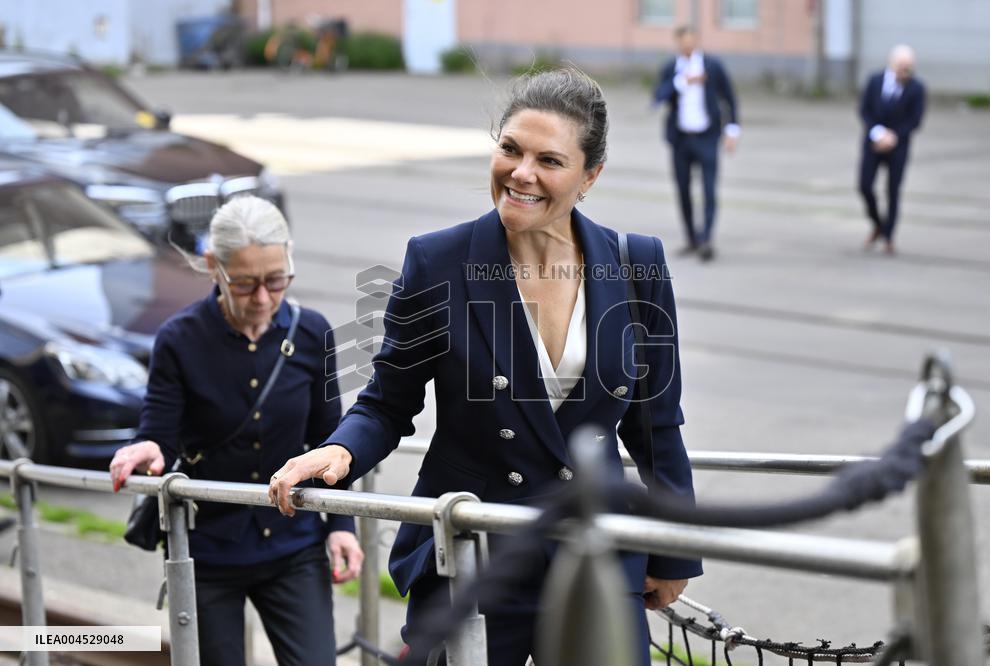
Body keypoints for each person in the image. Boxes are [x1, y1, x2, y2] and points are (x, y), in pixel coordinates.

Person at [268, 68, 702, 665]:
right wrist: (339, 452)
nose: (521, 173)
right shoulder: (437, 260)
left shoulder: (638, 265)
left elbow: (657, 426)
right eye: (510, 149)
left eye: (549, 160)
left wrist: (675, 552)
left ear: (590, 175)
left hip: (593, 557)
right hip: (472, 552)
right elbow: (388, 402)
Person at [109, 196, 363, 666]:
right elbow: (158, 434)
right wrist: (145, 447)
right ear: (213, 267)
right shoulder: (179, 338)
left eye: (276, 280)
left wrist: (342, 527)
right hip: (207, 552)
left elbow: (332, 441)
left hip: (294, 546)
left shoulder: (312, 332)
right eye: (245, 284)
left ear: (289, 261)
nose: (263, 299)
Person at [652, 25, 740, 262]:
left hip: (707, 137)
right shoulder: (672, 68)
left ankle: (706, 239)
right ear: (678, 43)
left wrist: (732, 129)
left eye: (692, 41)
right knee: (683, 189)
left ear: (698, 41)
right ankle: (691, 238)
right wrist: (682, 82)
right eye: (684, 42)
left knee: (709, 189)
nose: (688, 46)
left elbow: (729, 97)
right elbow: (658, 98)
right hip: (680, 139)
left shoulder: (712, 65)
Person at [858, 44, 926, 255]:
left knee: (893, 191)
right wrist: (878, 133)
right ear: (892, 63)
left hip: (898, 146)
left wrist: (894, 137)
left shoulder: (917, 88)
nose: (906, 71)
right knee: (865, 186)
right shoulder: (875, 81)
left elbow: (915, 120)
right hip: (873, 143)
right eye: (902, 66)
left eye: (910, 67)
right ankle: (878, 223)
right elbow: (864, 110)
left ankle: (889, 236)